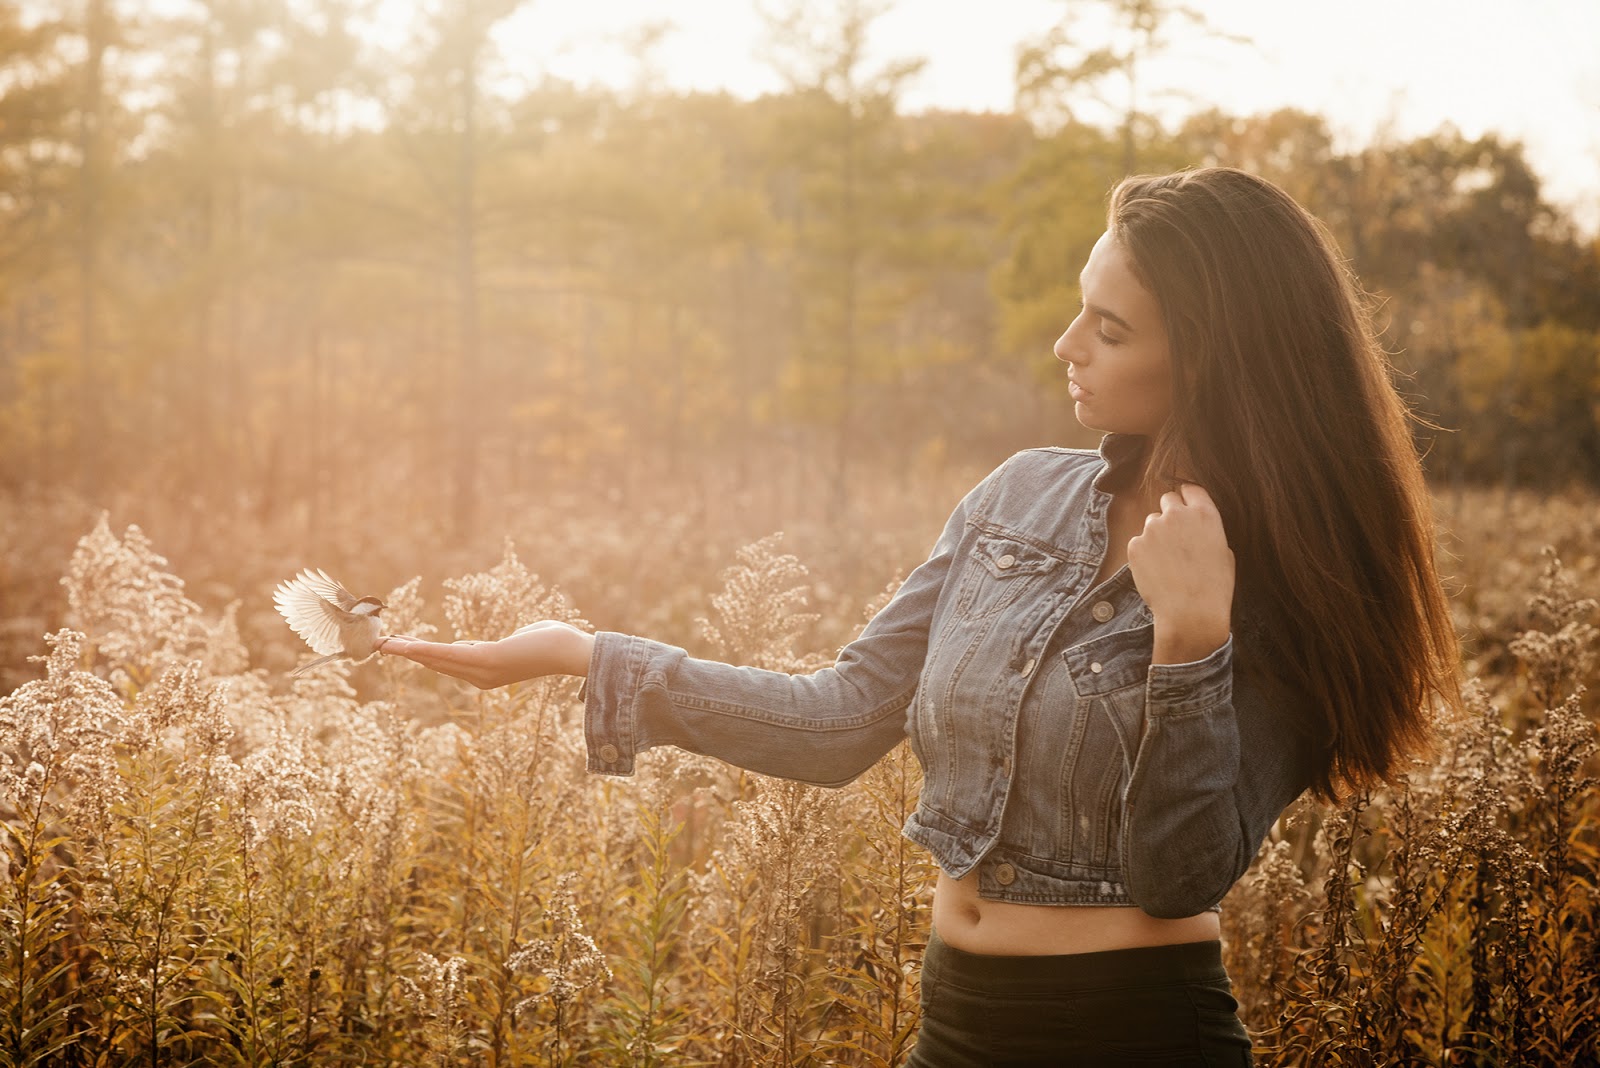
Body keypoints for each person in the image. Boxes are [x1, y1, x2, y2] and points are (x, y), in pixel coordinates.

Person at [379, 166, 1462, 1066]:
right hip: (955, 1024)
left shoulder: (1292, 577)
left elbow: (1182, 875)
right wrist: (585, 654)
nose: (1065, 344)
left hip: (1135, 1033)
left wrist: (1190, 641)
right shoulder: (1018, 497)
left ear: (1212, 359)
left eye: (1109, 327)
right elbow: (842, 718)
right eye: (1080, 305)